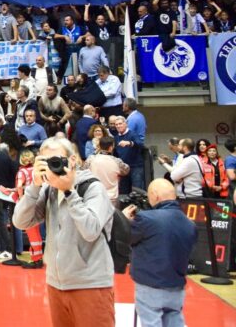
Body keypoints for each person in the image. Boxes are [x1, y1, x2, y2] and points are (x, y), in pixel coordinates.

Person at [13, 136, 116, 327]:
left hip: (90, 284)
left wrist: (69, 192)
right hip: (56, 283)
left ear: (72, 160)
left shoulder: (93, 187)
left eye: (56, 160)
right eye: (46, 162)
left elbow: (91, 230)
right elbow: (20, 221)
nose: (52, 166)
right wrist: (34, 186)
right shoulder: (49, 190)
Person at [123, 179, 197, 327]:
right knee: (175, 322)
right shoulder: (190, 224)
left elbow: (127, 238)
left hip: (150, 285)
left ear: (155, 195)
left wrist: (124, 220)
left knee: (151, 322)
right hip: (176, 287)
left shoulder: (146, 219)